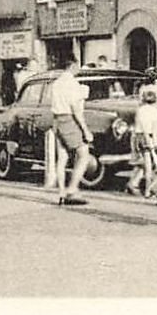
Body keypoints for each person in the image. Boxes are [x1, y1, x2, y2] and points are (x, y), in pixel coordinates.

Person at [50, 54, 92, 207]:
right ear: (73, 65)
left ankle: (61, 192)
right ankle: (72, 190)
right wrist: (86, 130)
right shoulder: (72, 83)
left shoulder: (56, 83)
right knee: (84, 155)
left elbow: (54, 106)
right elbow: (76, 110)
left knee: (62, 158)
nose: (79, 69)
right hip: (69, 120)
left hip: (57, 120)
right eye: (78, 66)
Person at [127, 86, 157, 198]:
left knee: (144, 163)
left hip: (138, 137)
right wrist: (154, 142)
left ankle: (133, 183)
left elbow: (138, 125)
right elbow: (154, 128)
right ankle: (148, 190)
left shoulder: (140, 110)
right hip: (148, 138)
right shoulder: (155, 112)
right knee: (149, 166)